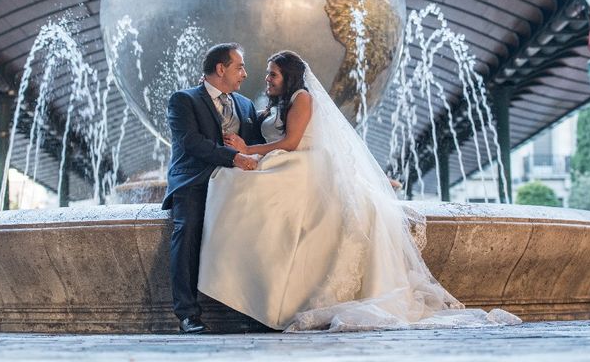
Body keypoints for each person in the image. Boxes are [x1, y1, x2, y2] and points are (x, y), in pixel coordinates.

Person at [198, 50, 521, 331]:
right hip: (285, 161)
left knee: (248, 189)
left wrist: (248, 149)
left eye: (273, 73)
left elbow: (292, 143)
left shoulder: (302, 98)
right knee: (238, 184)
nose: (266, 78)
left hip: (302, 162)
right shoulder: (274, 103)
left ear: (289, 75)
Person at [162, 43, 264, 334]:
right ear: (221, 68)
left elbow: (254, 143)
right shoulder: (183, 100)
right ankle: (187, 314)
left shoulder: (245, 106)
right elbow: (191, 143)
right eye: (239, 66)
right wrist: (235, 157)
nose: (245, 73)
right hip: (194, 181)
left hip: (236, 186)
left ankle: (253, 308)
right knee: (187, 230)